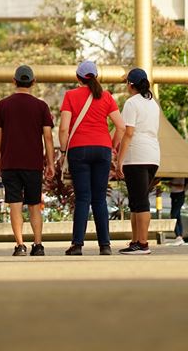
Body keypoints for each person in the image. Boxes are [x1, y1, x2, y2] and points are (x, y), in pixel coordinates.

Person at [59, 60, 124, 256]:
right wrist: (110, 145)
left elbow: (63, 128)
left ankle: (77, 244)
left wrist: (63, 151)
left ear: (78, 77)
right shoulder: (106, 96)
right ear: (95, 77)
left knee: (83, 199)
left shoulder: (70, 95)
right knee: (99, 199)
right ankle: (105, 245)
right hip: (103, 148)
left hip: (79, 149)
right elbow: (121, 126)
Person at [0, 65, 55, 257]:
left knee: (15, 204)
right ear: (33, 82)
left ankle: (20, 245)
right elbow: (48, 138)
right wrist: (50, 163)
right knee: (35, 204)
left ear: (14, 81)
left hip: (10, 163)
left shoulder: (3, 105)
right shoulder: (41, 106)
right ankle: (38, 244)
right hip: (33, 163)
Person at [113, 68, 161, 255]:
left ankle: (143, 243)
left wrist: (119, 160)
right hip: (152, 155)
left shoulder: (132, 103)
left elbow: (128, 133)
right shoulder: (152, 104)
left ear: (131, 85)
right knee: (136, 201)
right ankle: (135, 241)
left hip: (137, 157)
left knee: (139, 202)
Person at [165, 177, 188, 246]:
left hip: (179, 195)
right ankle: (180, 237)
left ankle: (178, 236)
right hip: (174, 195)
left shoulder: (180, 175)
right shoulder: (173, 176)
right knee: (177, 217)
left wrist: (171, 184)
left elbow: (181, 186)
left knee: (173, 216)